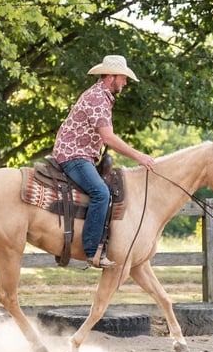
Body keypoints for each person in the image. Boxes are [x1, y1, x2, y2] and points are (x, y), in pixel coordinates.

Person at [52, 54, 155, 269]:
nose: (125, 82)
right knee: (101, 193)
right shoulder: (98, 98)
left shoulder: (101, 96)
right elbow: (108, 137)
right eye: (123, 78)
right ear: (111, 76)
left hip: (81, 154)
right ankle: (92, 251)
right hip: (74, 155)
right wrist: (139, 156)